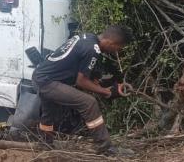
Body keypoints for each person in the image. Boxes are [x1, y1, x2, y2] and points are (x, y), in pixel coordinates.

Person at [31, 24, 134, 155]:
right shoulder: (92, 49)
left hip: (42, 77)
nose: (115, 52)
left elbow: (88, 76)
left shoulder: (88, 38)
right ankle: (106, 147)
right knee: (89, 103)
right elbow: (81, 81)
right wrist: (107, 92)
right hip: (47, 82)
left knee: (50, 111)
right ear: (111, 42)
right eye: (117, 48)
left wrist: (106, 88)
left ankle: (45, 143)